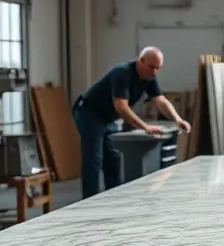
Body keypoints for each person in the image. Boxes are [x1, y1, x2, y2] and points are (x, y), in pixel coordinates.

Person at [72, 46, 190, 199]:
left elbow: (160, 100)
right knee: (94, 159)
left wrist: (177, 119)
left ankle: (113, 199)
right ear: (141, 61)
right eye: (151, 67)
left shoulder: (149, 77)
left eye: (158, 68)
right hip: (89, 112)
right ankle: (89, 202)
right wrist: (145, 127)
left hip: (108, 118)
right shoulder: (122, 73)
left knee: (113, 157)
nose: (154, 72)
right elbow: (121, 107)